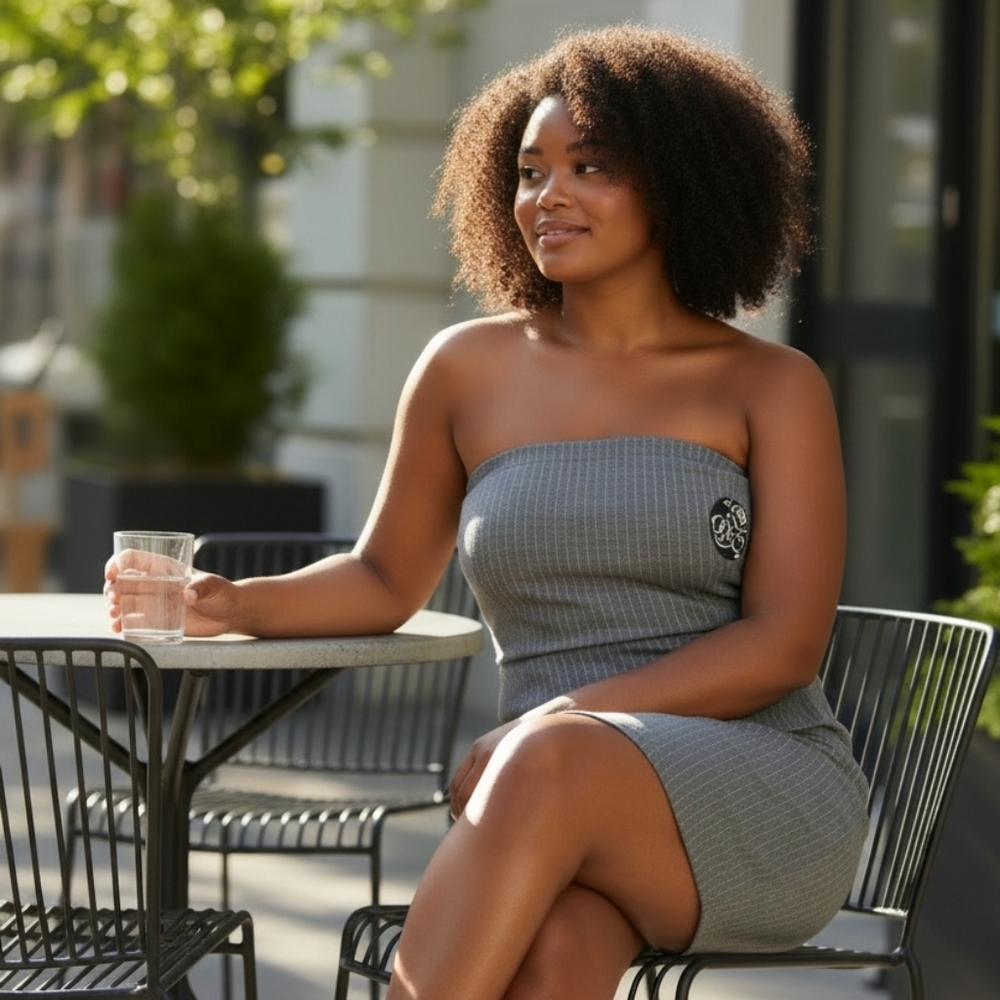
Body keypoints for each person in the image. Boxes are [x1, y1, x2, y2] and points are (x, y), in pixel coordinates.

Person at [107, 24, 869, 1000]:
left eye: (588, 165)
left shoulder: (772, 384)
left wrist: (552, 722)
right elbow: (385, 577)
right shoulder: (464, 369)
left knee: (551, 765)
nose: (546, 196)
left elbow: (781, 646)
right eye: (527, 170)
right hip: (543, 795)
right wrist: (233, 601)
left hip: (754, 787)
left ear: (679, 178)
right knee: (554, 956)